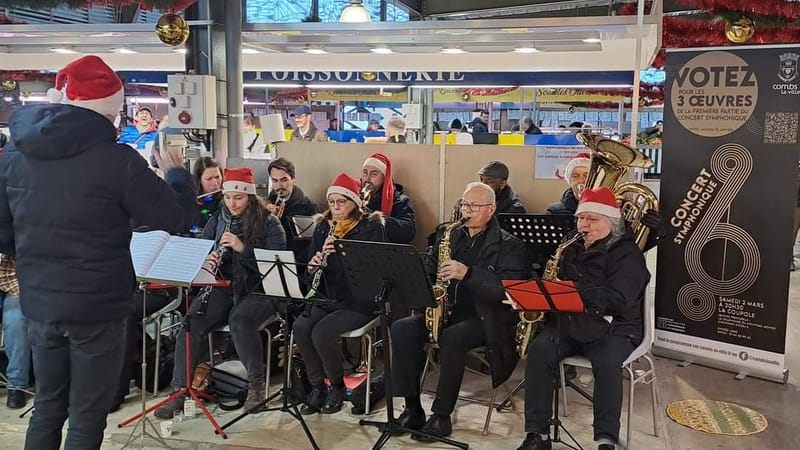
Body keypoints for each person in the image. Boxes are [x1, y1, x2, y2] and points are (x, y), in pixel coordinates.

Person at [0, 55, 196, 450]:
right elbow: (176, 217)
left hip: (40, 301)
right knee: (87, 415)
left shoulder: (15, 156)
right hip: (98, 305)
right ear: (110, 111)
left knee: (48, 405)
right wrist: (176, 174)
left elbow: (4, 233)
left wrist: (37, 262)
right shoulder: (118, 161)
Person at [391, 182, 530, 440]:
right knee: (402, 329)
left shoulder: (511, 246)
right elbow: (428, 269)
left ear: (491, 209)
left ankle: (441, 416)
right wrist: (425, 286)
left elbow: (507, 291)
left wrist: (468, 274)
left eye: (475, 206)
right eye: (465, 205)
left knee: (453, 337)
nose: (467, 211)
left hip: (486, 318)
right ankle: (412, 409)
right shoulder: (450, 235)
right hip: (444, 311)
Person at [515, 187, 650, 450]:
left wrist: (574, 290)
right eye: (580, 218)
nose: (583, 225)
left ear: (611, 222)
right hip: (571, 322)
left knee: (607, 363)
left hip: (614, 327)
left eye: (592, 219)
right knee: (539, 351)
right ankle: (537, 434)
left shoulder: (627, 253)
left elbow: (620, 300)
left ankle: (606, 439)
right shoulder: (570, 245)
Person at [155, 167, 286, 418]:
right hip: (224, 285)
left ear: (250, 196)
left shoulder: (270, 223)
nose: (232, 203)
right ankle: (180, 390)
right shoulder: (217, 219)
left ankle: (256, 386)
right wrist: (208, 260)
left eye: (238, 197)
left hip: (259, 289)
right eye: (227, 197)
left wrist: (242, 248)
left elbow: (275, 265)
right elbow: (203, 248)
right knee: (191, 324)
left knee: (241, 321)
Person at [294, 173, 386, 415]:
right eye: (331, 202)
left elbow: (372, 273)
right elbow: (309, 272)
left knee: (322, 332)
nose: (335, 208)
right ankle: (317, 387)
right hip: (327, 296)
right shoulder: (323, 226)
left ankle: (336, 386)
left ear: (354, 202)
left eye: (341, 202)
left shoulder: (370, 228)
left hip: (359, 300)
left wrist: (341, 254)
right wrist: (314, 266)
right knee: (301, 327)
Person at [266, 157, 319, 265]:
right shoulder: (266, 204)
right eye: (275, 181)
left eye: (284, 180)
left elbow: (313, 244)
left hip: (297, 265)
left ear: (293, 178)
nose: (279, 186)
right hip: (269, 260)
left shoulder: (309, 207)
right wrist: (265, 217)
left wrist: (295, 263)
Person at [361, 152, 416, 244]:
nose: (367, 179)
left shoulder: (400, 200)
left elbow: (408, 232)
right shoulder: (356, 197)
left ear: (384, 178)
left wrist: (372, 216)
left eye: (373, 174)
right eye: (365, 173)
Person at [0, 253, 31, 409]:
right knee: (15, 321)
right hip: (12, 289)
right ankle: (16, 385)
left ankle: (17, 385)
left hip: (26, 288)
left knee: (16, 321)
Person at [193, 156, 224, 232]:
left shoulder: (225, 198)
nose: (215, 183)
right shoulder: (191, 199)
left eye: (217, 177)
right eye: (209, 179)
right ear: (199, 180)